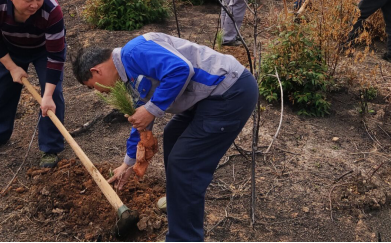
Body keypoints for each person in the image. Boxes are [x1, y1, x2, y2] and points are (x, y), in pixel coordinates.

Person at [72, 33, 259, 242]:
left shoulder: (133, 53)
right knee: (172, 135)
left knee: (185, 163)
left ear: (95, 70)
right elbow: (140, 122)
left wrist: (151, 109)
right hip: (205, 97)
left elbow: (181, 69)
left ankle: (183, 237)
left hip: (230, 91)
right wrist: (127, 164)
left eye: (92, 86)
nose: (99, 92)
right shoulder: (127, 77)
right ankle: (178, 204)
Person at [0, 0, 66, 168]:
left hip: (44, 50)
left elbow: (56, 55)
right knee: (1, 91)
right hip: (10, 48)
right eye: (29, 0)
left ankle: (50, 147)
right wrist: (11, 67)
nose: (35, 5)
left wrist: (48, 95)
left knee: (53, 97)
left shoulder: (51, 10)